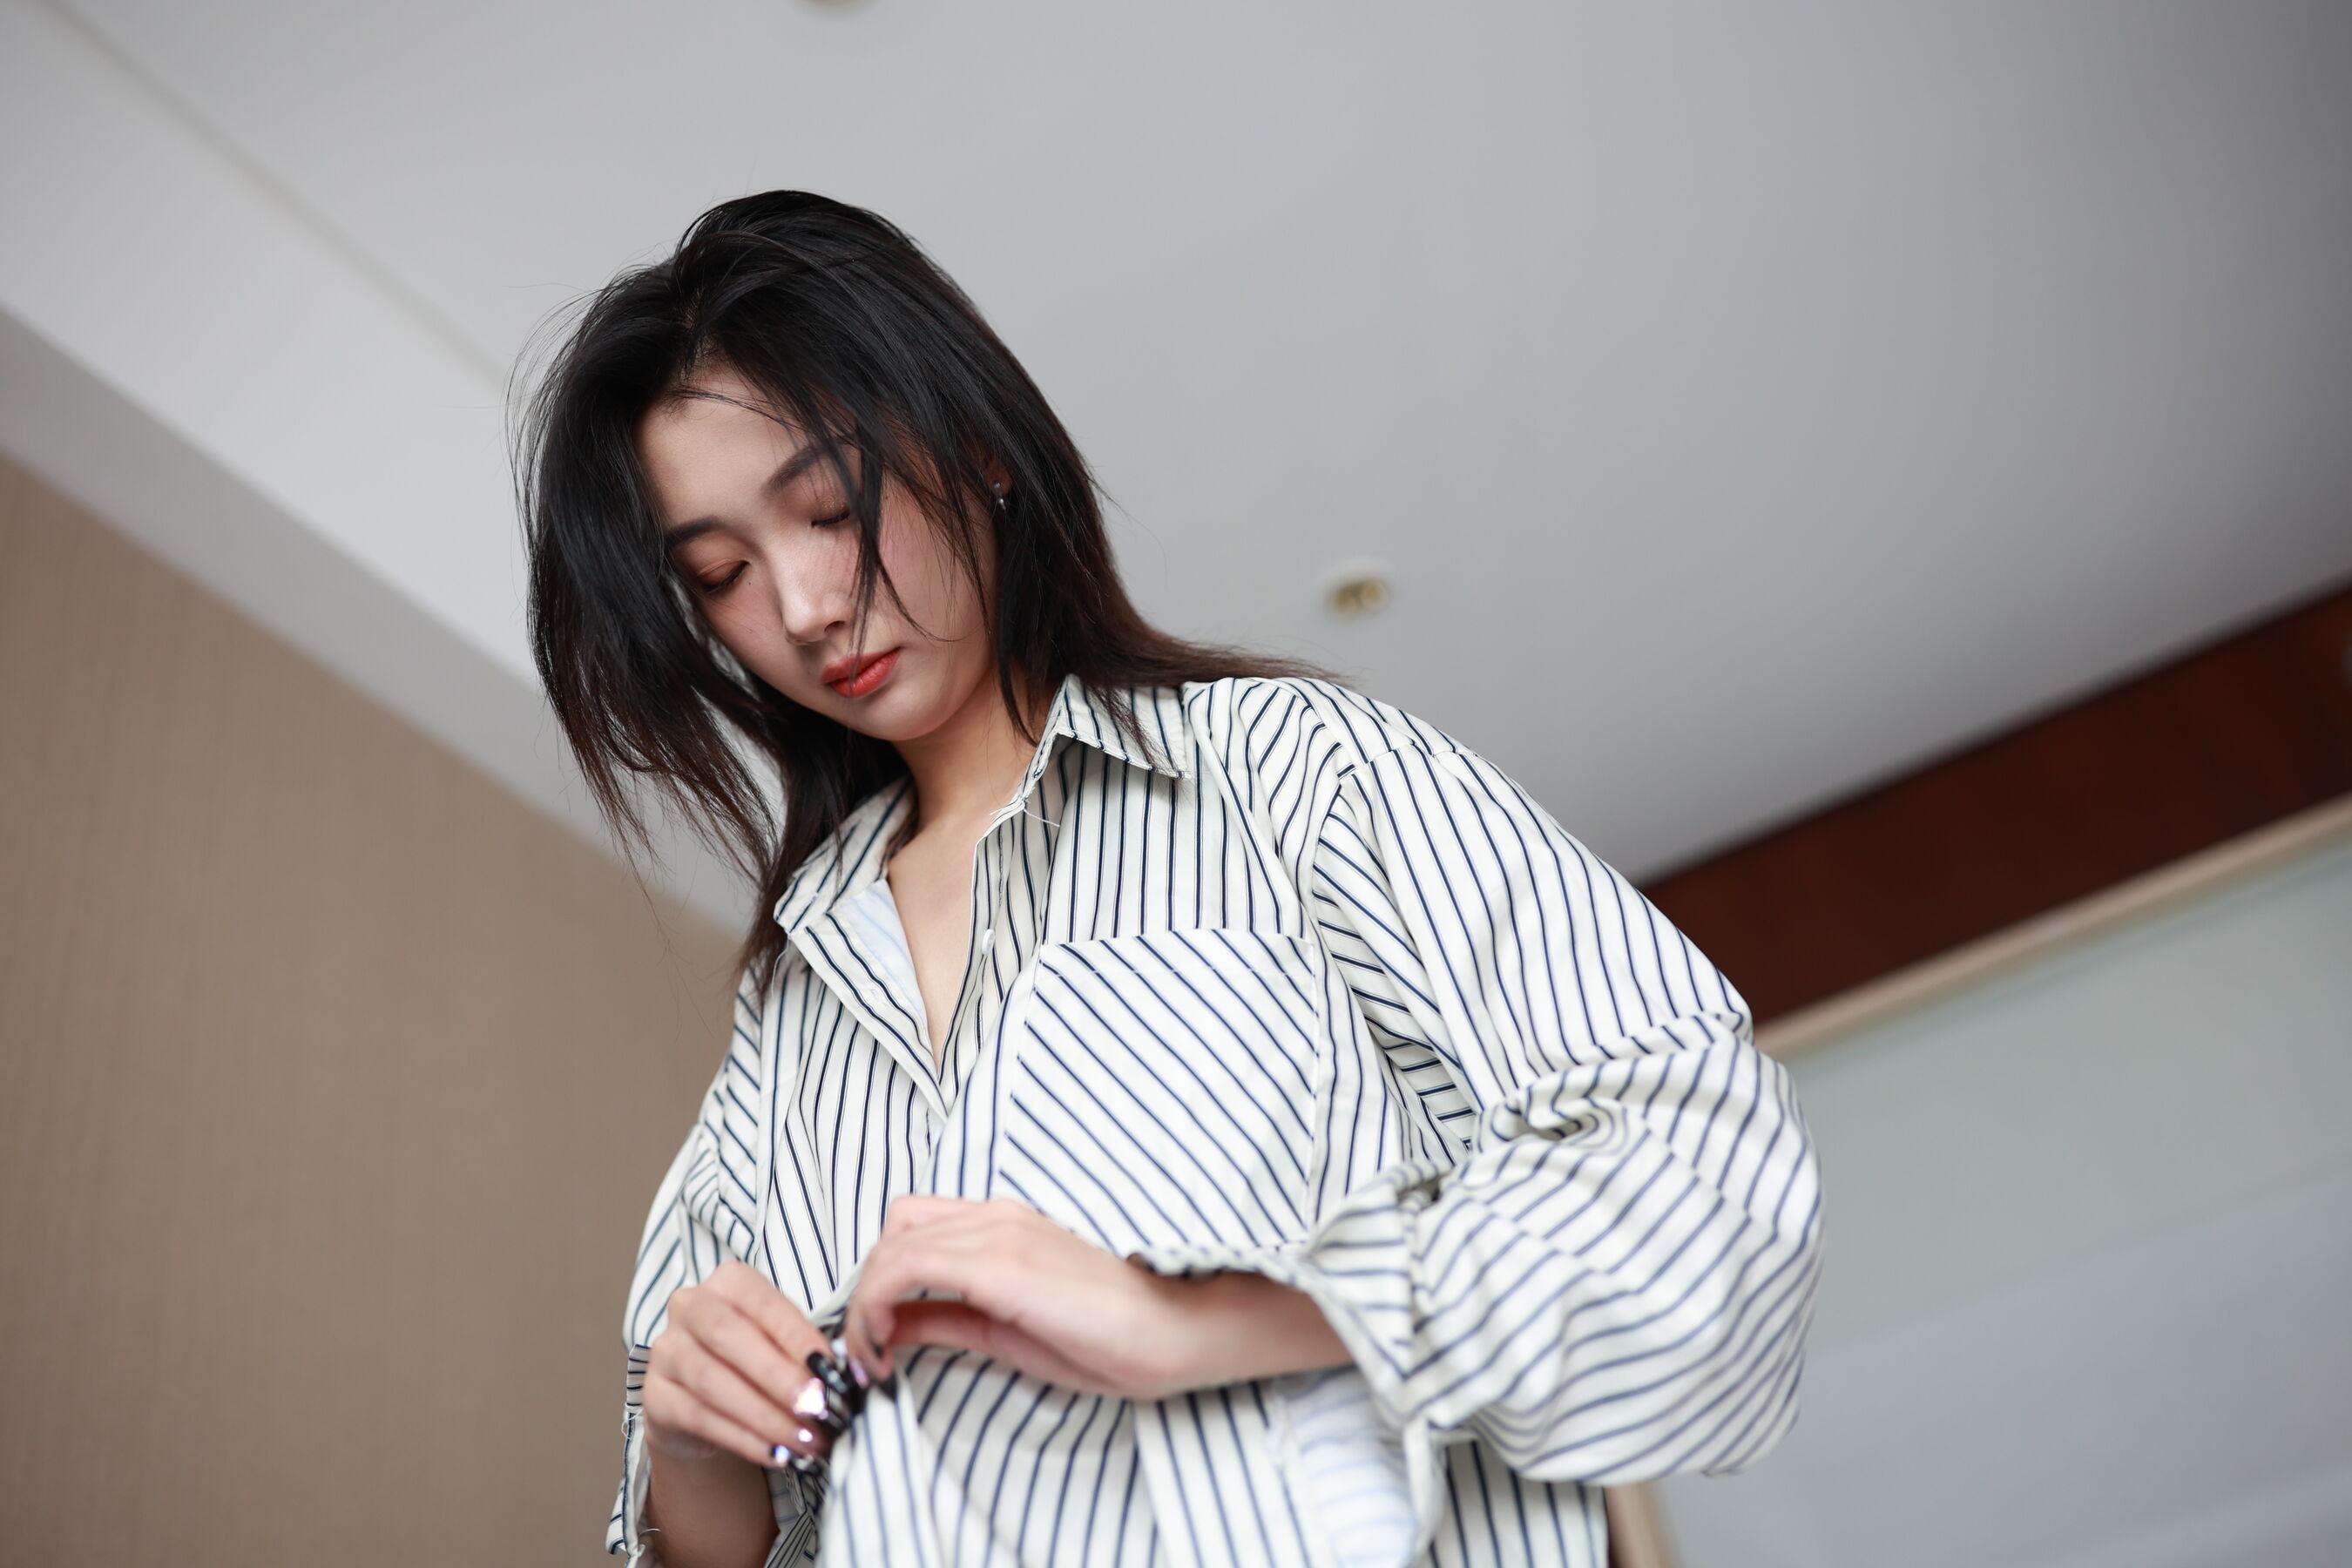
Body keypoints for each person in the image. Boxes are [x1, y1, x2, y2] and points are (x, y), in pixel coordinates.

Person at [515, 190, 1823, 1568]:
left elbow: (1704, 1182)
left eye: (831, 508)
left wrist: (1189, 1321)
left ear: (978, 446)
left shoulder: (1289, 773)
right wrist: (695, 1458)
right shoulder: (787, 1013)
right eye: (721, 573)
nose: (800, 607)